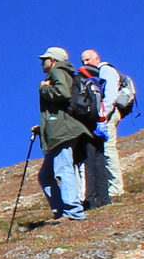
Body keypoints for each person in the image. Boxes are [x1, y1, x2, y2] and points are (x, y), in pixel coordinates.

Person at [31, 47, 96, 220]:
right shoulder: (61, 72)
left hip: (63, 131)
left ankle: (73, 211)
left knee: (63, 168)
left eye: (44, 59)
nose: (41, 62)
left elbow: (62, 93)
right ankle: (61, 210)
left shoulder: (58, 71)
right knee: (46, 175)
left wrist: (43, 89)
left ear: (52, 60)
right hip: (61, 129)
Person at [79, 49, 135, 201]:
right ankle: (108, 188)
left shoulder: (105, 70)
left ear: (97, 58)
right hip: (107, 114)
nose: (85, 63)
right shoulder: (102, 71)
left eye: (88, 59)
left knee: (108, 149)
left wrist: (102, 115)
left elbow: (109, 95)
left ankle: (116, 188)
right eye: (83, 61)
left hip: (108, 114)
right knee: (104, 150)